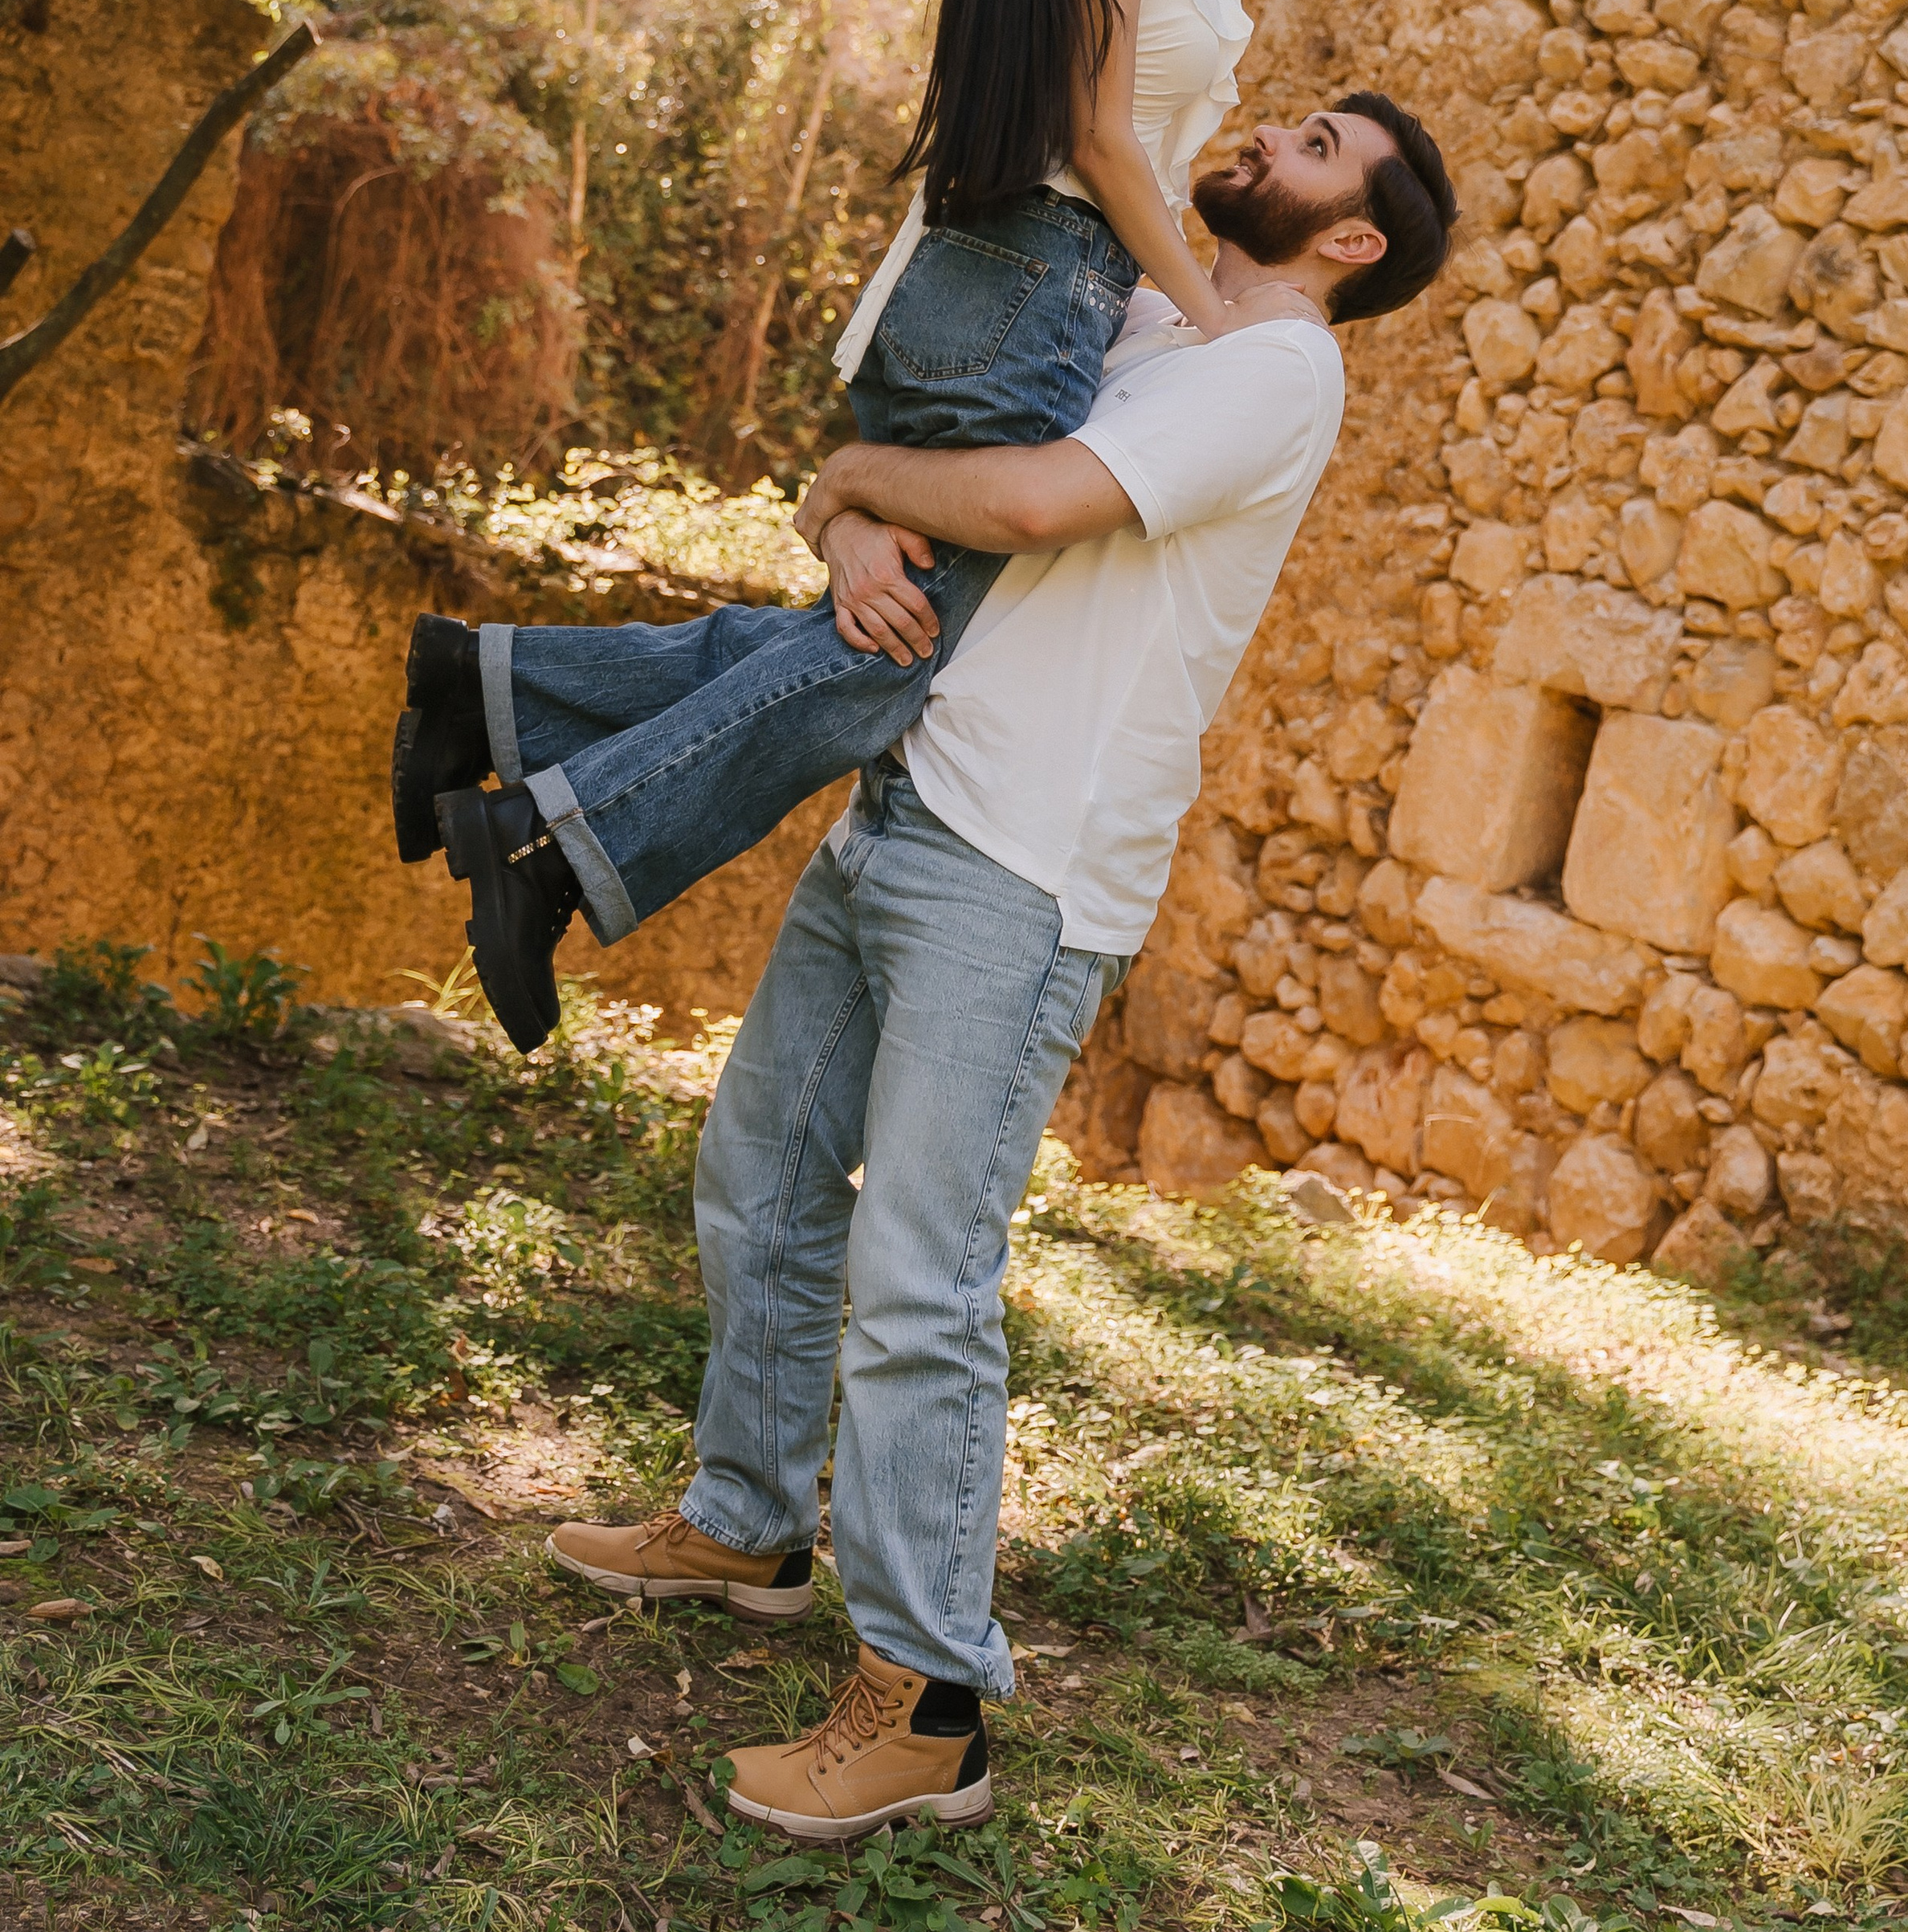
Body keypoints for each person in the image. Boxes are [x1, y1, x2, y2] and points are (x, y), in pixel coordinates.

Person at [389, 0, 1505, 1048]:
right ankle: (548, 831)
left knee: (868, 622)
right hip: (1039, 279)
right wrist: (1207, 309)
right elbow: (1101, 141)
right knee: (891, 656)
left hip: (1009, 283)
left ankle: (489, 701)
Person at [542, 92, 1458, 1840]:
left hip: (1024, 866)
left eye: (1324, 145)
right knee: (763, 1174)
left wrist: (854, 477)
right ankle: (741, 1523)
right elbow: (945, 456)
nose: (1275, 128)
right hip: (907, 793)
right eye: (1296, 111)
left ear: (1351, 243)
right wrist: (848, 523)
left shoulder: (1277, 374)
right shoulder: (1141, 318)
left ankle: (926, 1703)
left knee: (917, 1274)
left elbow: (1033, 500)